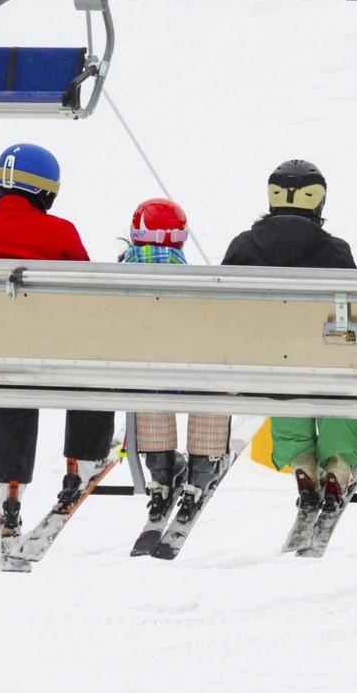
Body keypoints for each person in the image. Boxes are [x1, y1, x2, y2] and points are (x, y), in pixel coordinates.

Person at [0, 144, 118, 572]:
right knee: (96, 361)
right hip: (55, 358)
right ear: (45, 192)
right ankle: (84, 458)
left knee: (11, 376)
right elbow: (87, 295)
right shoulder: (59, 233)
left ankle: (10, 487)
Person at [222, 160, 357, 513]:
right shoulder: (336, 252)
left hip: (262, 372)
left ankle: (302, 462)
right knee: (338, 375)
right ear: (318, 202)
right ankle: (338, 465)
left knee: (279, 368)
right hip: (326, 372)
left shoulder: (242, 247)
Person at [121, 198, 233, 524]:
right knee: (213, 376)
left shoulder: (113, 277)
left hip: (135, 379)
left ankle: (161, 469)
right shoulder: (191, 281)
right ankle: (202, 467)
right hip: (188, 378)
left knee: (148, 376)